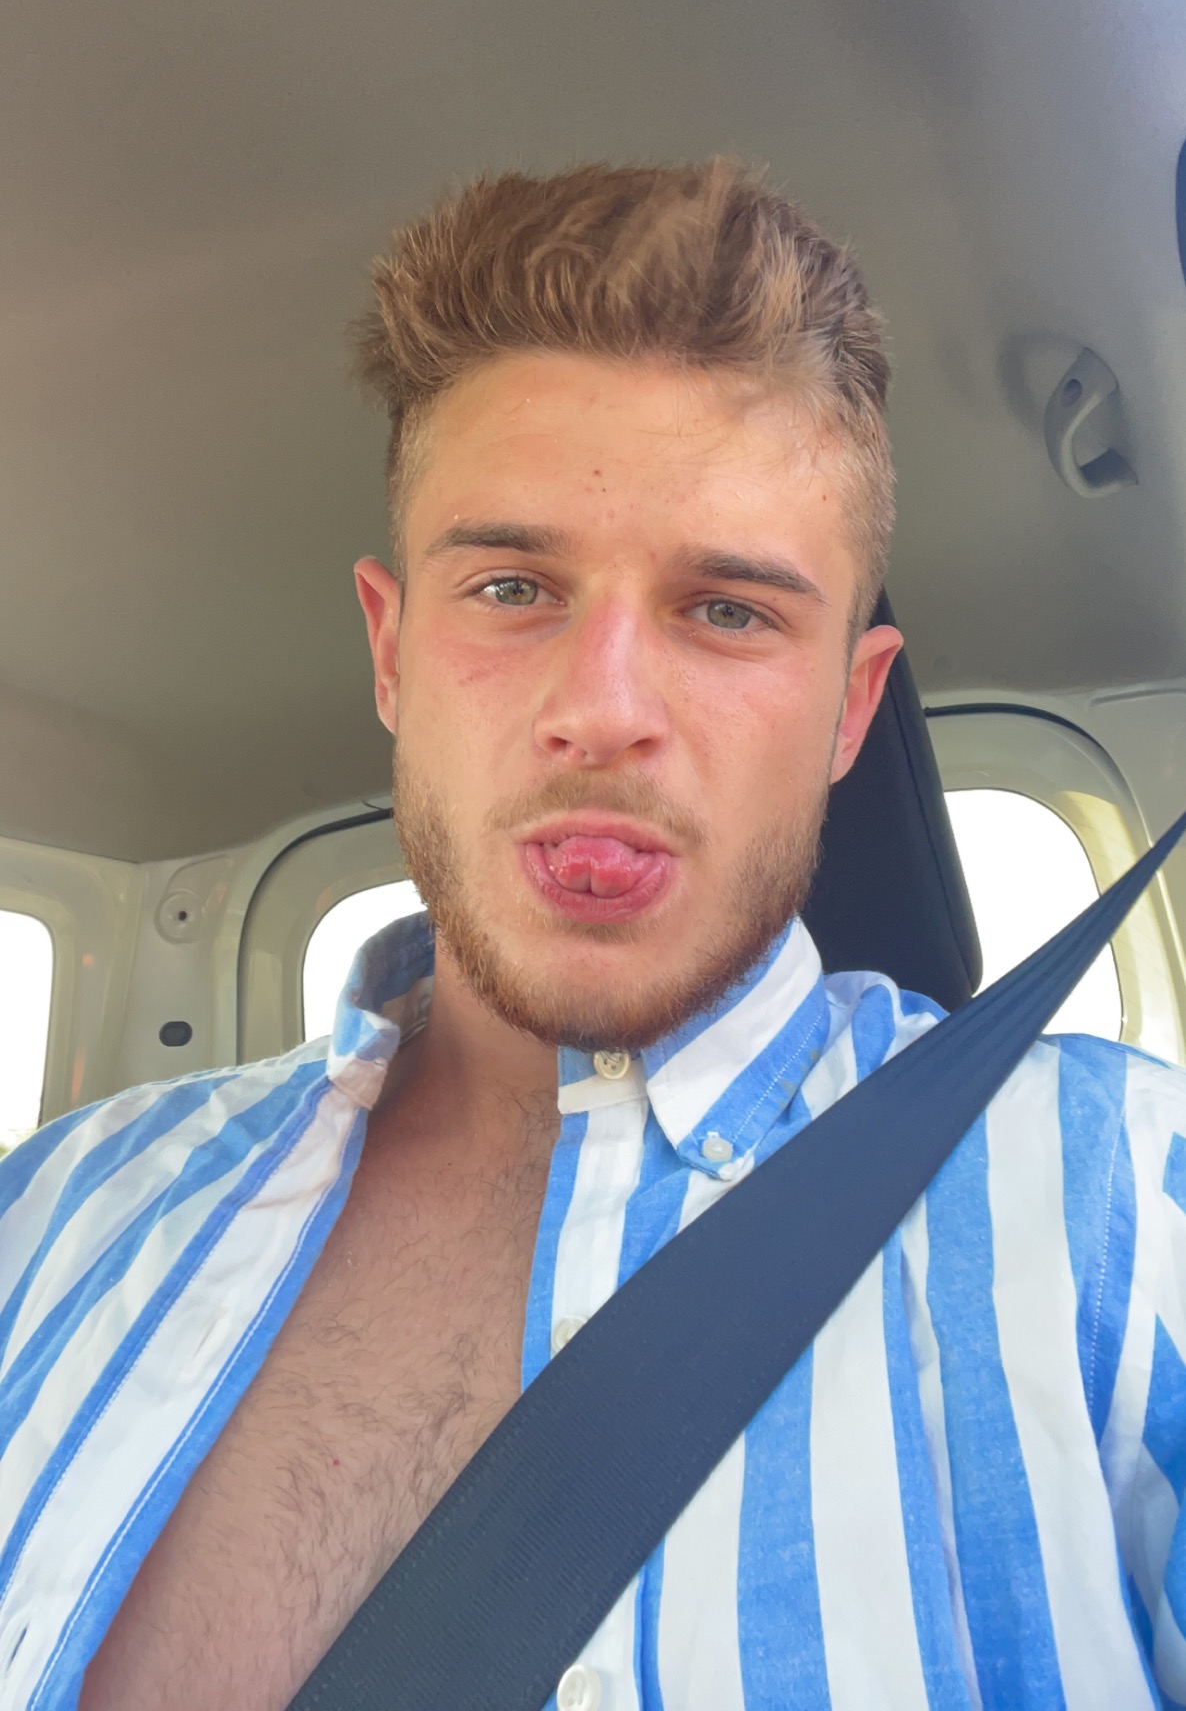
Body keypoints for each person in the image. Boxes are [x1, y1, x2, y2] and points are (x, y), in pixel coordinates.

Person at [2, 160, 1185, 1711]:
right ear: (390, 651)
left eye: (728, 611)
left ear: (850, 708)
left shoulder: (1126, 1200)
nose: (602, 710)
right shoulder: (54, 1212)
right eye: (510, 586)